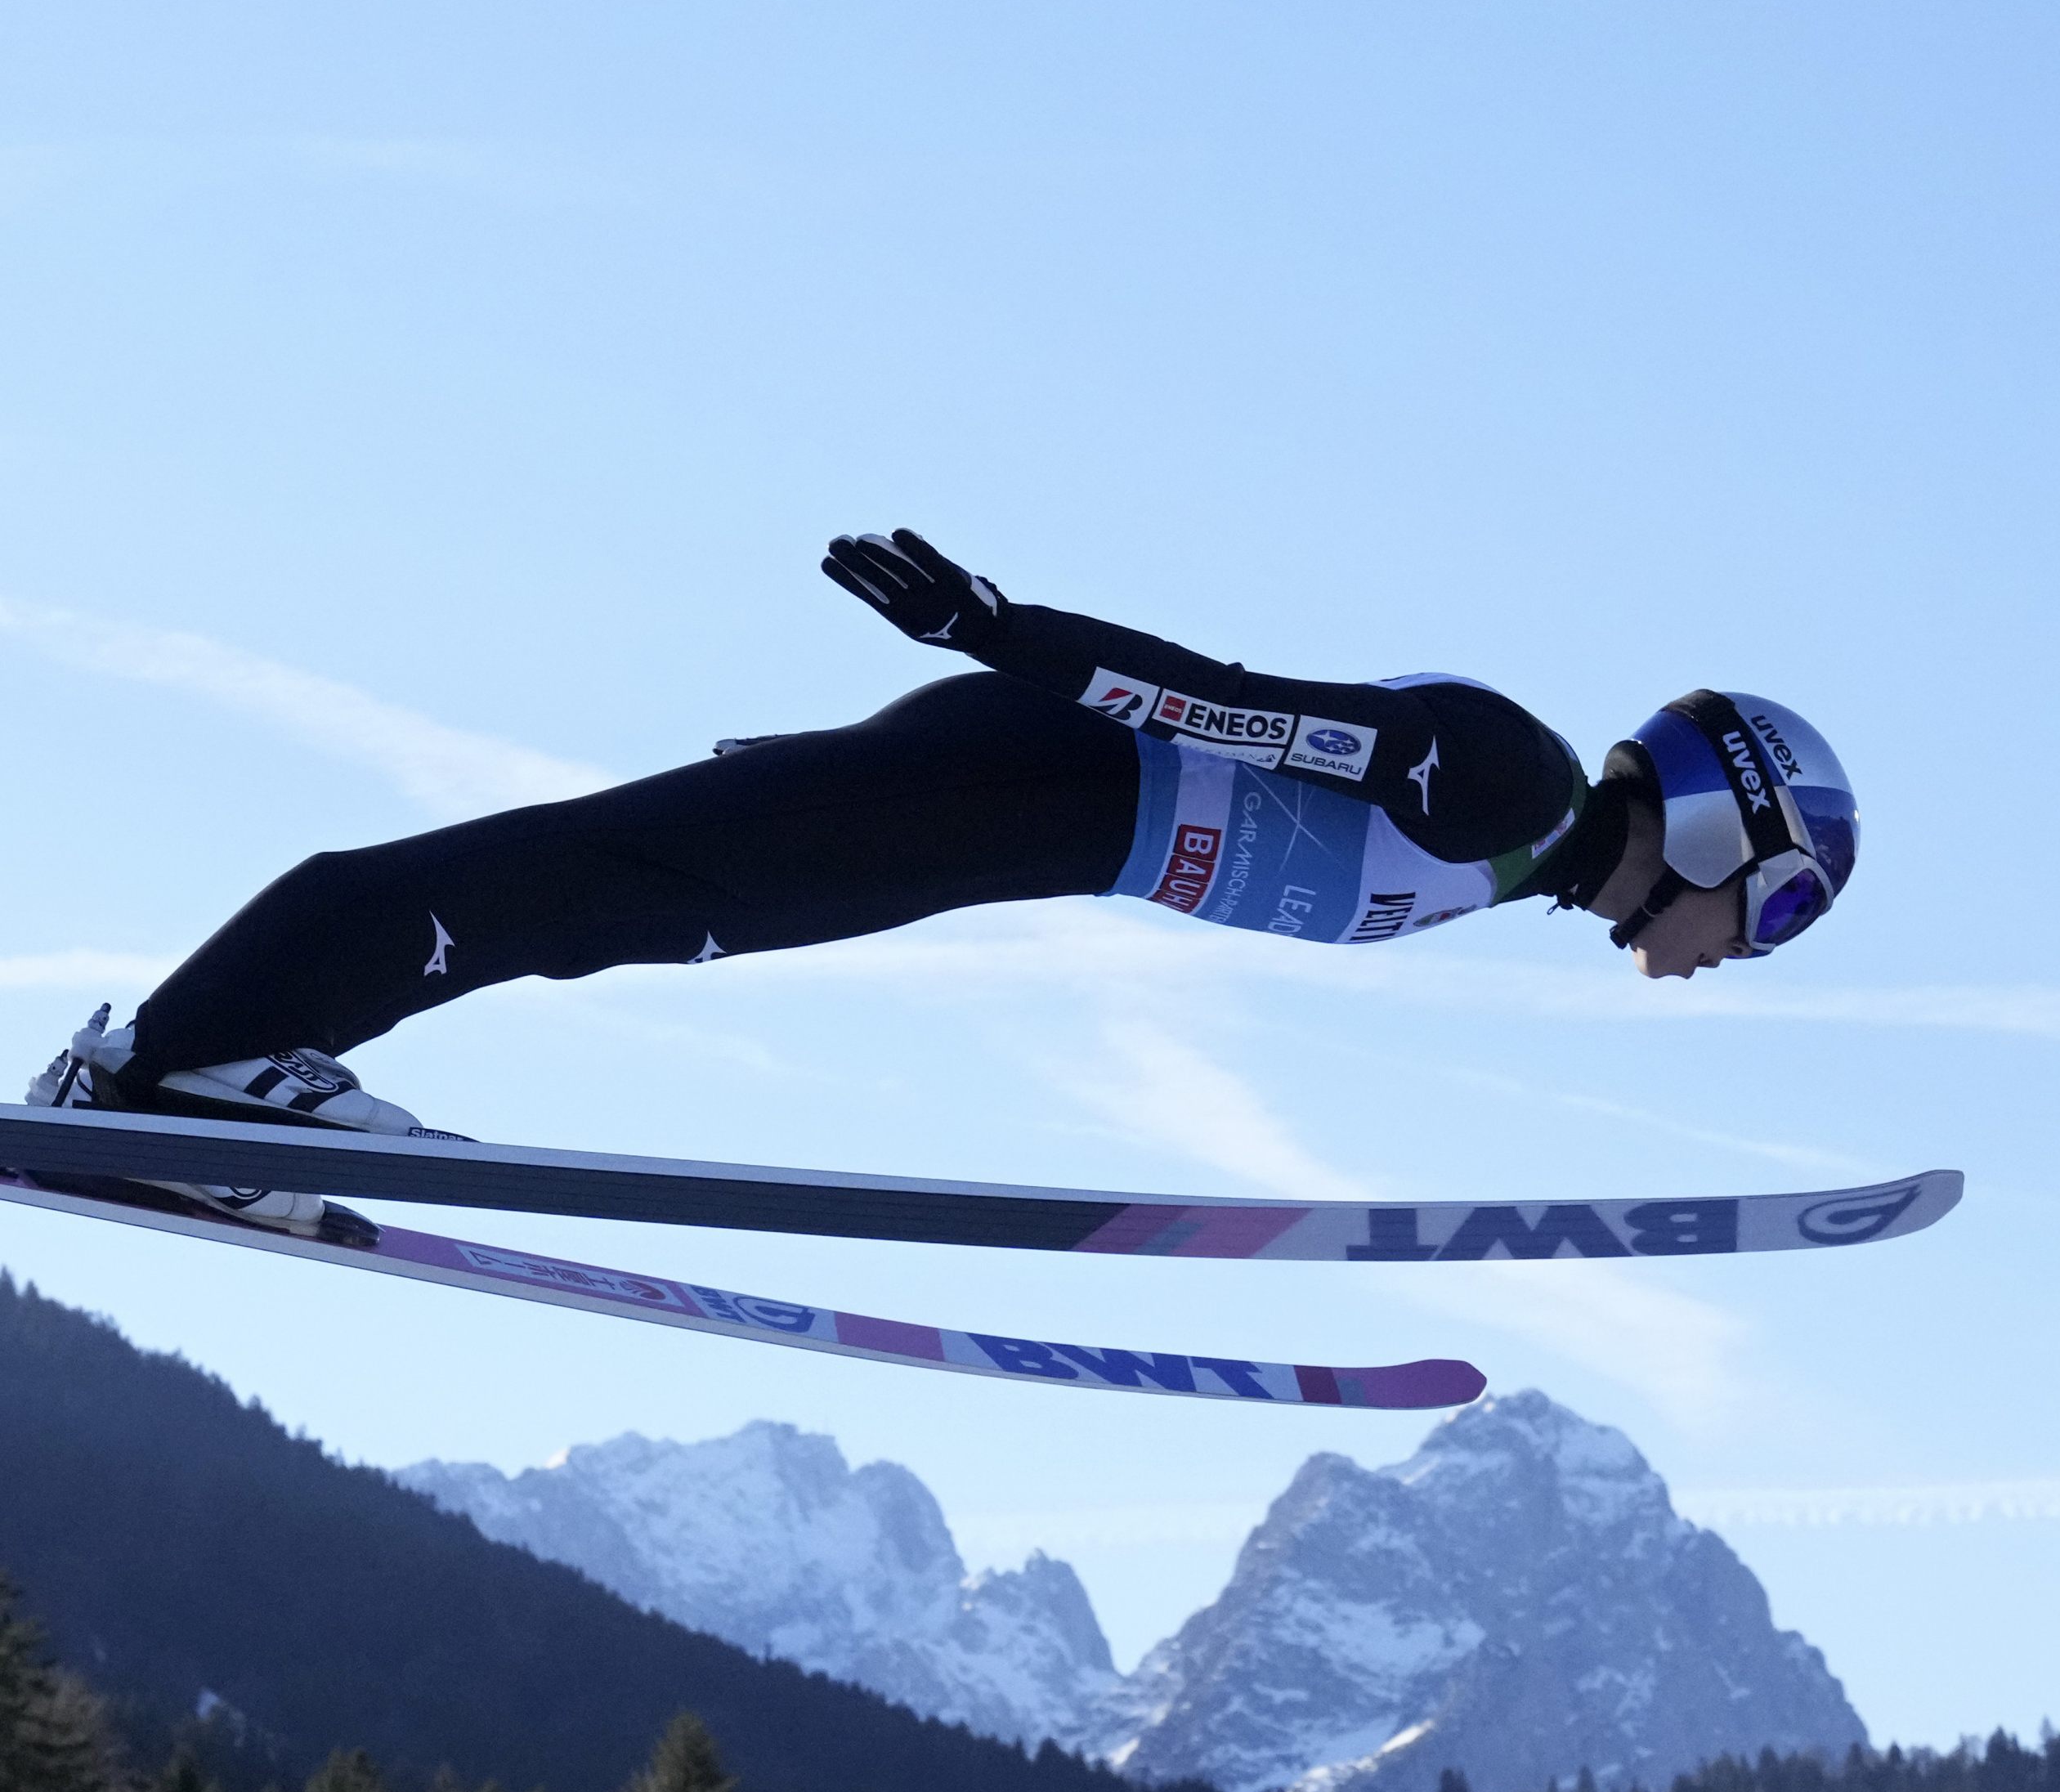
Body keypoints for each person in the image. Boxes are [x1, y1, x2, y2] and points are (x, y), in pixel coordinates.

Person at [27, 530, 1859, 1230]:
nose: (1734, 954)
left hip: (1001, 828)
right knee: (574, 886)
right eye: (1767, 909)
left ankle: (188, 1083)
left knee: (596, 904)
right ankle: (182, 1071)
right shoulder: (1519, 787)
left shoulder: (1513, 862)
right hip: (1013, 780)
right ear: (1716, 819)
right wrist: (1008, 632)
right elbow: (1246, 709)